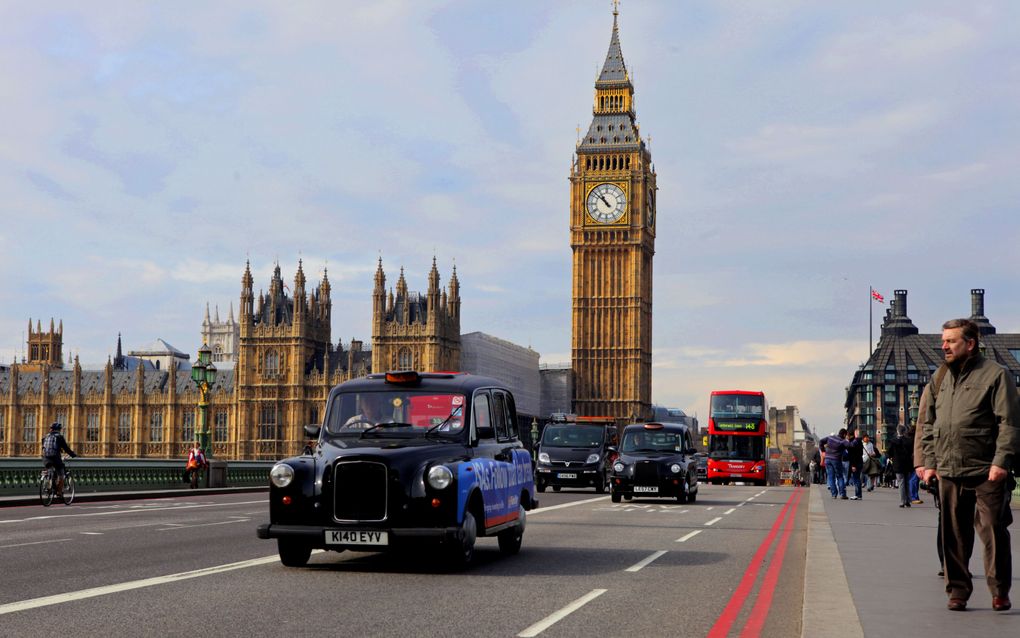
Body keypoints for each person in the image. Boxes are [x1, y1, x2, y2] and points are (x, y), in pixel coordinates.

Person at [921, 318, 1020, 613]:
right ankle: (958, 591)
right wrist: (929, 463)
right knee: (952, 533)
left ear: (970, 343)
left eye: (951, 341)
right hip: (949, 468)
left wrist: (1001, 461)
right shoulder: (939, 377)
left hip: (986, 467)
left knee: (992, 528)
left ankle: (999, 590)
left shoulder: (996, 375)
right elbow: (928, 423)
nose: (944, 346)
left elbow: (1009, 423)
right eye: (944, 341)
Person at [41, 422, 77, 496]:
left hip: (45, 458)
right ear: (59, 429)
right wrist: (72, 454)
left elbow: (43, 447)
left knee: (49, 469)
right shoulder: (59, 437)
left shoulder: (45, 437)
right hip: (55, 458)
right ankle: (59, 492)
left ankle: (47, 486)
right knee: (61, 474)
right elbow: (66, 448)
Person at [889, 425, 914, 508]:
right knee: (907, 482)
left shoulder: (893, 441)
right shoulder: (909, 441)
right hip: (907, 464)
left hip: (898, 464)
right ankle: (908, 500)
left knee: (901, 482)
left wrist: (892, 458)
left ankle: (902, 501)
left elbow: (889, 452)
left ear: (897, 431)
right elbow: (911, 452)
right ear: (904, 431)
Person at [822, 429, 849, 499]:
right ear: (844, 434)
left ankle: (834, 494)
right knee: (840, 476)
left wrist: (823, 451)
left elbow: (821, 441)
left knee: (831, 477)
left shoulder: (830, 437)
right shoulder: (842, 441)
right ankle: (842, 494)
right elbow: (851, 445)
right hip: (836, 460)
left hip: (827, 459)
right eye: (846, 435)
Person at [847, 429, 864, 500]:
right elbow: (860, 453)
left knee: (856, 479)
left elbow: (853, 455)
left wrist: (853, 465)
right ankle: (859, 494)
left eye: (847, 436)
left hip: (855, 463)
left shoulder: (853, 443)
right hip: (860, 462)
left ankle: (857, 494)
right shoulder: (859, 442)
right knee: (858, 479)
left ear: (850, 435)